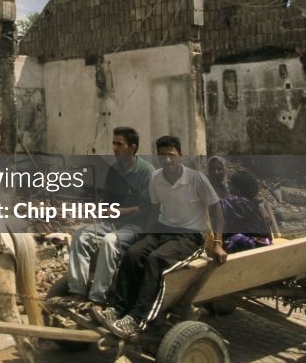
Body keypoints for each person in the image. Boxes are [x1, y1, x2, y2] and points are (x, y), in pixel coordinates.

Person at [91, 135, 227, 337]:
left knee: (156, 261)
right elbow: (155, 209)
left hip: (189, 237)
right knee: (133, 253)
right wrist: (145, 234)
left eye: (171, 155)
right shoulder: (156, 178)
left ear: (180, 155)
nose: (167, 161)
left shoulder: (196, 179)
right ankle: (118, 309)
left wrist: (217, 243)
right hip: (162, 229)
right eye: (162, 156)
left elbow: (216, 210)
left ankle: (137, 319)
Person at [60, 126, 155, 312]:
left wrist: (119, 212)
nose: (114, 148)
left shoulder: (146, 172)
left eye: (119, 144)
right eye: (113, 144)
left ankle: (98, 299)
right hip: (112, 223)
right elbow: (107, 200)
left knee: (110, 242)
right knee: (80, 234)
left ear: (132, 147)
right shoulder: (115, 170)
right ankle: (77, 292)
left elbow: (147, 209)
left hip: (134, 227)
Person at [220, 168, 272, 253]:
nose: (229, 189)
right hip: (265, 244)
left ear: (238, 189)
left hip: (247, 248)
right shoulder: (254, 203)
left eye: (231, 186)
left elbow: (213, 206)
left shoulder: (232, 202)